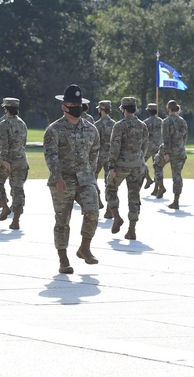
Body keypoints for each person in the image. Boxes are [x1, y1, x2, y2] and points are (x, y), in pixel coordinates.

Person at [44, 84, 100, 274]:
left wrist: (93, 179)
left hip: (85, 179)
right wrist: (57, 177)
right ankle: (63, 259)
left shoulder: (91, 129)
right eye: (72, 103)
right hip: (63, 180)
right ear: (63, 106)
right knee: (62, 221)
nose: (76, 107)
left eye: (78, 103)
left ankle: (84, 248)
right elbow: (51, 156)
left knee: (93, 211)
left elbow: (94, 156)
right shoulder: (54, 130)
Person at [105, 97, 148, 240]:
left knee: (110, 188)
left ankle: (116, 216)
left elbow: (114, 147)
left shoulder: (119, 126)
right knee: (134, 196)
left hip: (121, 165)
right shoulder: (142, 125)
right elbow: (145, 146)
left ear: (123, 109)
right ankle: (132, 230)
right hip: (137, 165)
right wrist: (140, 159)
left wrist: (111, 165)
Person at [0, 97, 29, 230]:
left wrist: (3, 161)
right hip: (21, 160)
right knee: (18, 189)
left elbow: (3, 145)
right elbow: (24, 143)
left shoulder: (3, 123)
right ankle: (16, 221)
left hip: (8, 160)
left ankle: (5, 206)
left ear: (6, 109)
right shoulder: (22, 123)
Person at [161, 99, 189, 210]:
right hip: (181, 151)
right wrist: (181, 147)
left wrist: (166, 152)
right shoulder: (182, 121)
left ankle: (160, 187)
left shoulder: (166, 121)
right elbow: (185, 137)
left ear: (168, 109)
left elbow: (166, 138)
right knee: (177, 176)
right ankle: (176, 200)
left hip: (171, 152)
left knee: (157, 165)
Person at [94, 100, 115, 215]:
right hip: (111, 156)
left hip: (98, 155)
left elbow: (94, 142)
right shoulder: (115, 124)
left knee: (92, 178)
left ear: (101, 110)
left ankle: (98, 198)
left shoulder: (97, 125)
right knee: (110, 183)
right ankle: (109, 208)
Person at [143, 103, 164, 197]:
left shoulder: (146, 122)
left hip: (149, 146)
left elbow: (144, 135)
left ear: (148, 111)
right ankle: (156, 188)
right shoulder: (162, 121)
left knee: (141, 163)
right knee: (157, 167)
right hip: (159, 146)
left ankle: (148, 178)